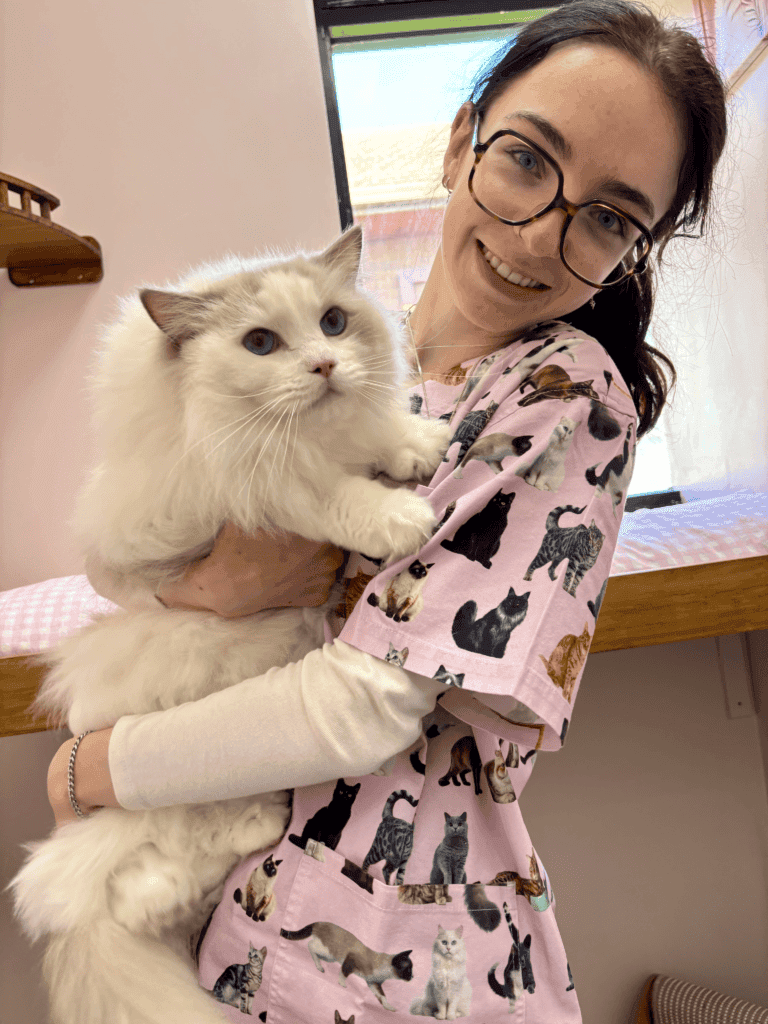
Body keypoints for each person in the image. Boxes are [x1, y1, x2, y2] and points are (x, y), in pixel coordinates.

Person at [46, 1, 728, 1019]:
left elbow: (364, 703)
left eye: (608, 217)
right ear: (461, 143)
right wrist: (214, 582)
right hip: (246, 927)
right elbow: (134, 529)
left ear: (632, 247)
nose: (538, 235)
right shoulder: (374, 367)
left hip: (400, 960)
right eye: (527, 161)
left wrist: (91, 767)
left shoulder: (563, 394)